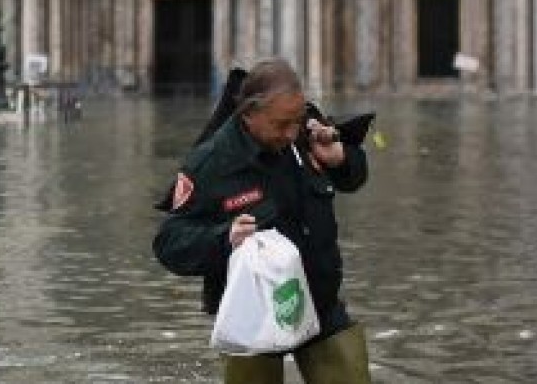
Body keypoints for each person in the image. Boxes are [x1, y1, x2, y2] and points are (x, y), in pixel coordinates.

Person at [153, 59, 374, 383]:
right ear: (248, 115)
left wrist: (341, 159)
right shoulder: (211, 162)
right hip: (252, 315)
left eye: (297, 121)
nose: (291, 133)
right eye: (281, 124)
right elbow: (168, 242)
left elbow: (353, 178)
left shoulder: (304, 130)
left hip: (319, 300)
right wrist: (224, 237)